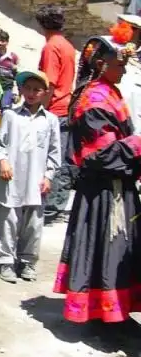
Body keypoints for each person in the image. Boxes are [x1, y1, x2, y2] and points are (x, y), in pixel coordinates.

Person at [53, 24, 141, 325]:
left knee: (117, 249)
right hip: (104, 192)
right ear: (101, 64)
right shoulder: (93, 100)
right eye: (120, 65)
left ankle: (115, 311)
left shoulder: (109, 92)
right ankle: (101, 315)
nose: (124, 71)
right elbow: (100, 154)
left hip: (118, 185)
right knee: (106, 247)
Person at [0, 71, 61, 284]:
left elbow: (54, 152)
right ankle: (5, 261)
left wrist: (49, 176)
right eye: (28, 88)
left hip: (36, 179)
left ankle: (27, 261)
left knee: (33, 223)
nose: (31, 93)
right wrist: (3, 161)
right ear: (20, 89)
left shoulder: (50, 120)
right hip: (11, 176)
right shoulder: (10, 115)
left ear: (44, 93)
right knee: (8, 220)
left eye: (36, 89)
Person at [36, 5, 76, 225]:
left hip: (54, 109)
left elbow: (48, 83)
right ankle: (57, 206)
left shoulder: (51, 47)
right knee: (60, 159)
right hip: (66, 107)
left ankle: (50, 209)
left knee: (51, 161)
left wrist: (38, 109)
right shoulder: (67, 45)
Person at [0, 29, 19, 109]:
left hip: (7, 88)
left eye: (2, 41)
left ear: (7, 42)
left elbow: (17, 76)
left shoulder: (13, 57)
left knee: (5, 108)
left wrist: (16, 92)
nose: (0, 43)